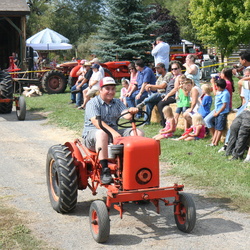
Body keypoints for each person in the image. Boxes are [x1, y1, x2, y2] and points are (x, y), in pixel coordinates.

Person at [82, 77, 143, 184]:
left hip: (113, 134)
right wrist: (113, 132)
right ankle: (105, 170)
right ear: (100, 90)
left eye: (113, 89)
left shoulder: (117, 102)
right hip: (93, 136)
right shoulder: (92, 103)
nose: (111, 92)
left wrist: (131, 111)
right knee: (102, 133)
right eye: (107, 89)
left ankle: (134, 166)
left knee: (138, 133)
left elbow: (127, 115)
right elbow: (97, 123)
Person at [157, 61, 183, 127]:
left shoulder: (179, 77)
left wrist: (167, 95)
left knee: (161, 104)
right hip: (167, 94)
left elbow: (175, 89)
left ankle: (165, 123)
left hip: (174, 96)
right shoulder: (173, 77)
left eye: (175, 68)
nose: (173, 70)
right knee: (156, 100)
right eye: (172, 69)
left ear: (180, 69)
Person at [205, 79, 230, 146]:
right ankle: (213, 142)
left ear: (218, 87)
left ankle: (216, 143)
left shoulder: (225, 93)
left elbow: (224, 105)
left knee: (219, 129)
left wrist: (217, 113)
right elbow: (215, 93)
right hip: (217, 112)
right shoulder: (219, 92)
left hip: (222, 113)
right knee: (216, 128)